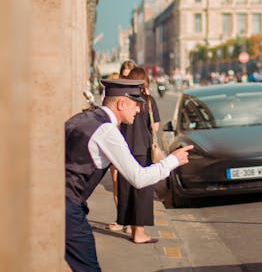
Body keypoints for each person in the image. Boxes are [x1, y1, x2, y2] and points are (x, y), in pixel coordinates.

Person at [65, 77, 192, 272]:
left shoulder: (81, 119)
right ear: (121, 104)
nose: (139, 110)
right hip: (67, 206)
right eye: (136, 104)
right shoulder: (108, 131)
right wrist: (173, 160)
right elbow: (138, 178)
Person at [115, 67, 161, 244]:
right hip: (143, 150)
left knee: (127, 190)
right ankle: (139, 233)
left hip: (124, 149)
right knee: (142, 191)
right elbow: (155, 126)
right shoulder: (148, 101)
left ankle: (132, 229)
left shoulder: (124, 100)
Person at [108, 58, 137, 232]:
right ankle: (121, 219)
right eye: (123, 76)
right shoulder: (116, 92)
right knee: (117, 181)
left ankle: (132, 220)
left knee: (132, 181)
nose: (126, 81)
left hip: (133, 144)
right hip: (115, 140)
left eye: (129, 77)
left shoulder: (137, 97)